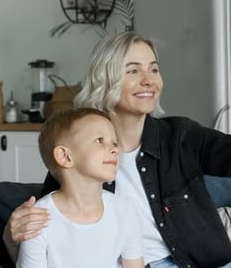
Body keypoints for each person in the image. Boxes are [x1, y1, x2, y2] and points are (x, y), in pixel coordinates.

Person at [4, 31, 231, 268]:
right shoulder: (80, 154)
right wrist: (12, 234)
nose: (149, 80)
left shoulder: (179, 137)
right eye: (133, 70)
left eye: (154, 69)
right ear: (106, 79)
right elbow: (46, 235)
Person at [16, 107, 144, 268]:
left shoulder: (125, 210)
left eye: (114, 143)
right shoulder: (37, 221)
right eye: (99, 140)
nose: (115, 149)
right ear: (65, 157)